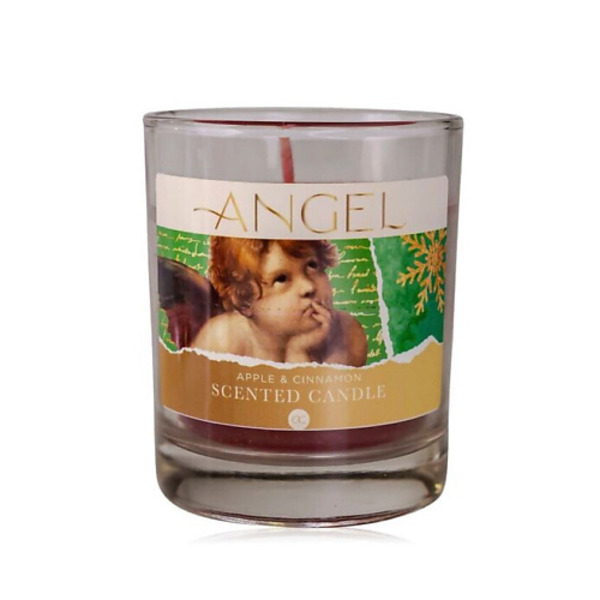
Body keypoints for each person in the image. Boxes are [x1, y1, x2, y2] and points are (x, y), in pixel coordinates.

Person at [193, 237, 368, 366]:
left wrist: (300, 353)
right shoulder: (220, 341)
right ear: (243, 302)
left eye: (312, 266)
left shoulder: (347, 335)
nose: (308, 287)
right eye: (281, 279)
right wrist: (297, 353)